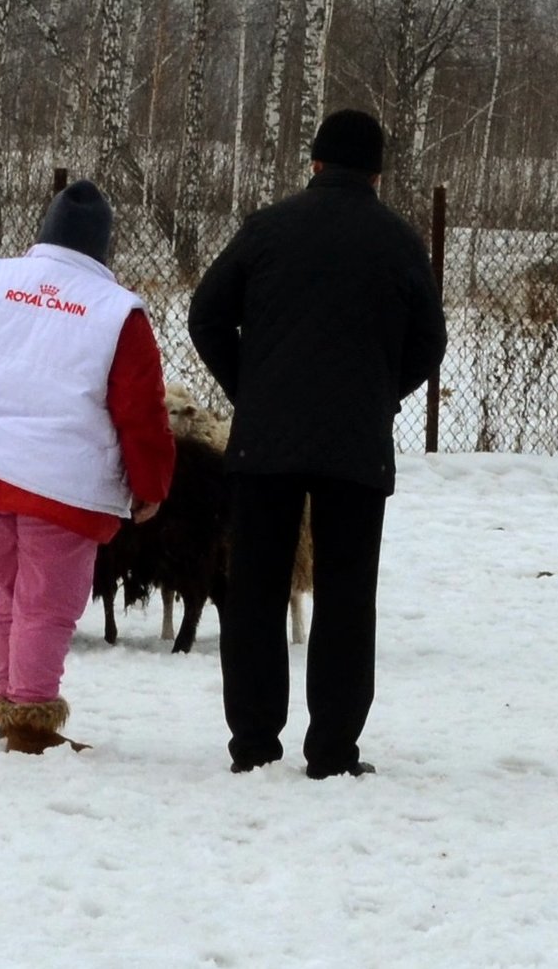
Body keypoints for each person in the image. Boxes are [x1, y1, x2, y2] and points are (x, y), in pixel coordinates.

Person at [186, 109, 447, 779]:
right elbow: (430, 340)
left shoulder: (267, 228)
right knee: (346, 595)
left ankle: (253, 742)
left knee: (256, 590)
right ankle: (332, 749)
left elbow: (207, 313)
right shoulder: (398, 241)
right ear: (378, 173)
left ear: (315, 163)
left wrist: (251, 386)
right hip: (356, 446)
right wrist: (382, 392)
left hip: (265, 442)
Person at [0, 179, 175, 754]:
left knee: (4, 596)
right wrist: (150, 484)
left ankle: (11, 706)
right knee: (47, 604)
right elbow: (141, 412)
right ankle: (31, 722)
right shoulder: (116, 312)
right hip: (65, 484)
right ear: (103, 246)